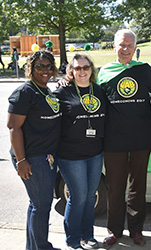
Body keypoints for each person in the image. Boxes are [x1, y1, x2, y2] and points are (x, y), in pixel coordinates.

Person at [98, 29, 151, 246]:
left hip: (141, 138)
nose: (125, 49)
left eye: (129, 45)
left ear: (135, 48)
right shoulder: (104, 72)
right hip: (114, 140)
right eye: (121, 45)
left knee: (138, 186)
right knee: (115, 187)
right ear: (114, 46)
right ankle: (114, 231)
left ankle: (136, 229)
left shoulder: (144, 70)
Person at [7, 50, 61, 250]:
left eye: (49, 66)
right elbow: (14, 127)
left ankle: (34, 247)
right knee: (41, 205)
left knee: (36, 204)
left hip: (45, 156)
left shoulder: (45, 90)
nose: (45, 70)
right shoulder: (25, 92)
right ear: (31, 68)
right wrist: (21, 160)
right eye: (40, 66)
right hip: (32, 157)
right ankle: (42, 247)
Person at [53, 53, 107, 250]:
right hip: (70, 155)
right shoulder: (62, 93)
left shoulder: (99, 91)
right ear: (71, 71)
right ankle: (73, 240)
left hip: (95, 152)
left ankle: (88, 235)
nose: (82, 71)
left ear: (91, 69)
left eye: (85, 67)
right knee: (78, 197)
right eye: (77, 68)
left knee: (91, 196)